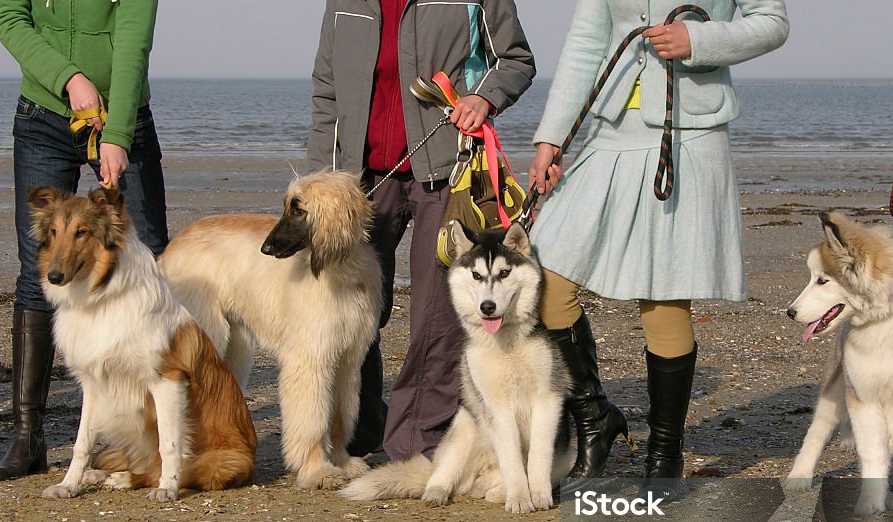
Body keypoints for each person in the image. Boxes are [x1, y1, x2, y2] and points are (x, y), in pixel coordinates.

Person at [527, 0, 788, 480]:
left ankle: (665, 456)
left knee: (664, 299)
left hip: (689, 135)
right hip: (607, 133)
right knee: (544, 282)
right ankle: (596, 419)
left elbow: (772, 23)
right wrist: (552, 139)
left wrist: (700, 41)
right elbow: (585, 42)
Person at [308, 1, 535, 461]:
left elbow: (515, 59)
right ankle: (361, 426)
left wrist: (483, 96)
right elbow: (326, 89)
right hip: (360, 179)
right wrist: (322, 179)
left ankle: (415, 444)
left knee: (436, 314)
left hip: (450, 171)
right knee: (352, 308)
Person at [0, 0, 169, 481]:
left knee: (150, 258)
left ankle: (157, 433)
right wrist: (69, 78)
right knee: (39, 271)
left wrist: (118, 132)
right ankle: (28, 437)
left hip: (122, 111)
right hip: (42, 112)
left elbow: (133, 38)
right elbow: (9, 16)